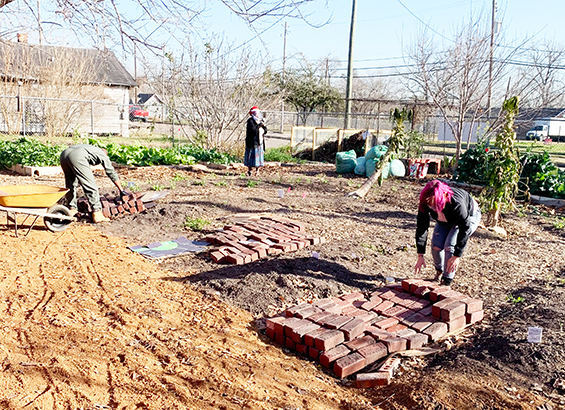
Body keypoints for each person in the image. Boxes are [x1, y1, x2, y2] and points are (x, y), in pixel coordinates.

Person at [414, 180, 481, 286]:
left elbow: (465, 229)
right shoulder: (426, 202)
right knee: (436, 244)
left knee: (449, 245)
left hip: (468, 217)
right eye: (431, 206)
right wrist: (420, 255)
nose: (433, 208)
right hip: (445, 218)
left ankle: (447, 280)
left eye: (435, 205)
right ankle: (439, 271)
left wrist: (457, 256)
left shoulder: (457, 204)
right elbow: (422, 227)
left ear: (444, 196)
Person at [60, 144, 126, 223]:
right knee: (90, 185)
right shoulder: (103, 154)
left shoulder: (90, 148)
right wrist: (121, 190)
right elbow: (111, 172)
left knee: (70, 183)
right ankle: (97, 212)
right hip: (77, 156)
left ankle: (72, 209)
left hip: (64, 155)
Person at [244, 106, 267, 176]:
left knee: (258, 158)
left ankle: (257, 171)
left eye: (258, 112)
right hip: (251, 142)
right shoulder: (250, 121)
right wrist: (259, 125)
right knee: (250, 157)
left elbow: (265, 130)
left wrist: (262, 126)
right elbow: (253, 130)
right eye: (255, 113)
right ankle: (249, 170)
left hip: (259, 142)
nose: (257, 114)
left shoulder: (260, 120)